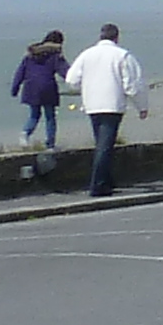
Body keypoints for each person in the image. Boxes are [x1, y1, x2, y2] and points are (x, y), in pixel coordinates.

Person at [67, 23, 147, 198]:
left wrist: (87, 85)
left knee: (102, 144)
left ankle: (108, 181)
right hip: (112, 105)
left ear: (101, 36)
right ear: (116, 37)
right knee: (105, 145)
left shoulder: (86, 54)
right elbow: (133, 85)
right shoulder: (123, 55)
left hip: (92, 104)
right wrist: (142, 107)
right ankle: (98, 186)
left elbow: (71, 79)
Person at [11, 32, 67, 179]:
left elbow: (20, 73)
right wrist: (77, 80)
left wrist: (15, 89)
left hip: (31, 88)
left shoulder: (30, 54)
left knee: (34, 115)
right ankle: (50, 145)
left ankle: (25, 134)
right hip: (47, 87)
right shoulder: (55, 55)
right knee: (50, 117)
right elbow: (65, 72)